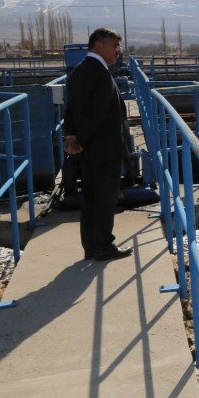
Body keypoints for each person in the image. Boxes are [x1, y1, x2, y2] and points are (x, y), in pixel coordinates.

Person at [63, 28, 133, 261]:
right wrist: (80, 139)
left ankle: (91, 245)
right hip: (104, 148)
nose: (118, 51)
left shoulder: (78, 72)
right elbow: (98, 115)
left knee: (91, 197)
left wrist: (72, 137)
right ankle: (103, 245)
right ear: (99, 45)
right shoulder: (100, 75)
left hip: (89, 148)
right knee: (104, 198)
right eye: (114, 46)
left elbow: (71, 108)